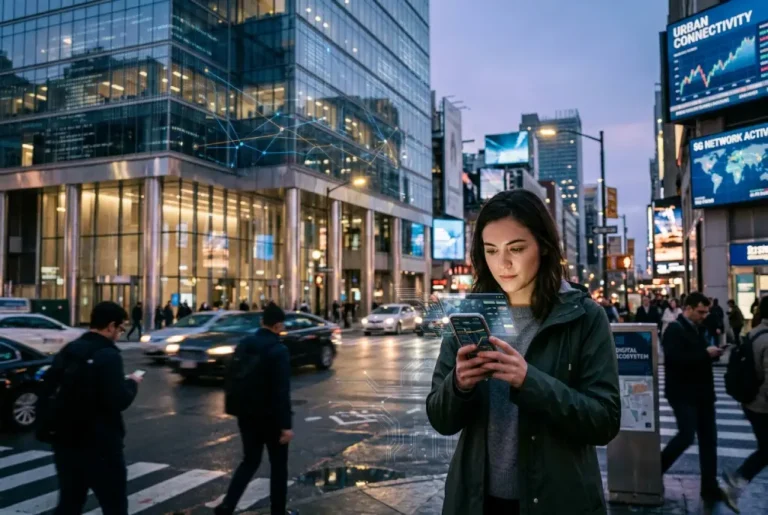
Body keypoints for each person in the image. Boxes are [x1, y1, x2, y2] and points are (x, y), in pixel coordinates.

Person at [426, 190, 620, 515]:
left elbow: (604, 421)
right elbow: (440, 419)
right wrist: (458, 385)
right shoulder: (473, 316)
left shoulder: (584, 316)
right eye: (491, 250)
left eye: (516, 248)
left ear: (543, 246)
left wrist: (528, 381)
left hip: (559, 500)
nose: (503, 264)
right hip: (476, 500)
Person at [40, 301, 142, 515]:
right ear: (111, 326)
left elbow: (49, 385)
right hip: (101, 445)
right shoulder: (108, 355)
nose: (120, 333)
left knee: (70, 502)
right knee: (114, 505)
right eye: (121, 328)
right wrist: (132, 383)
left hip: (66, 441)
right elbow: (118, 400)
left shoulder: (71, 349)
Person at [215, 303, 295, 515]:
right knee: (278, 467)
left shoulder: (245, 343)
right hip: (271, 418)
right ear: (279, 326)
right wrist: (286, 426)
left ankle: (227, 505)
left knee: (249, 461)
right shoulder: (279, 350)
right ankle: (278, 511)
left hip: (247, 415)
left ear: (262, 322)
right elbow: (281, 391)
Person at [660, 292, 726, 508]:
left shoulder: (700, 328)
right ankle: (656, 468)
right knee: (686, 435)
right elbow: (675, 360)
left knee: (709, 439)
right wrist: (705, 355)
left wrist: (710, 353)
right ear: (687, 308)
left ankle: (709, 485)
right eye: (700, 311)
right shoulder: (674, 330)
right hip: (683, 393)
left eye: (706, 311)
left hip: (703, 393)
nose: (704, 315)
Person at [722, 295, 768, 511]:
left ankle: (738, 479)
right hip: (762, 405)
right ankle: (738, 478)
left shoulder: (755, 333)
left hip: (752, 403)